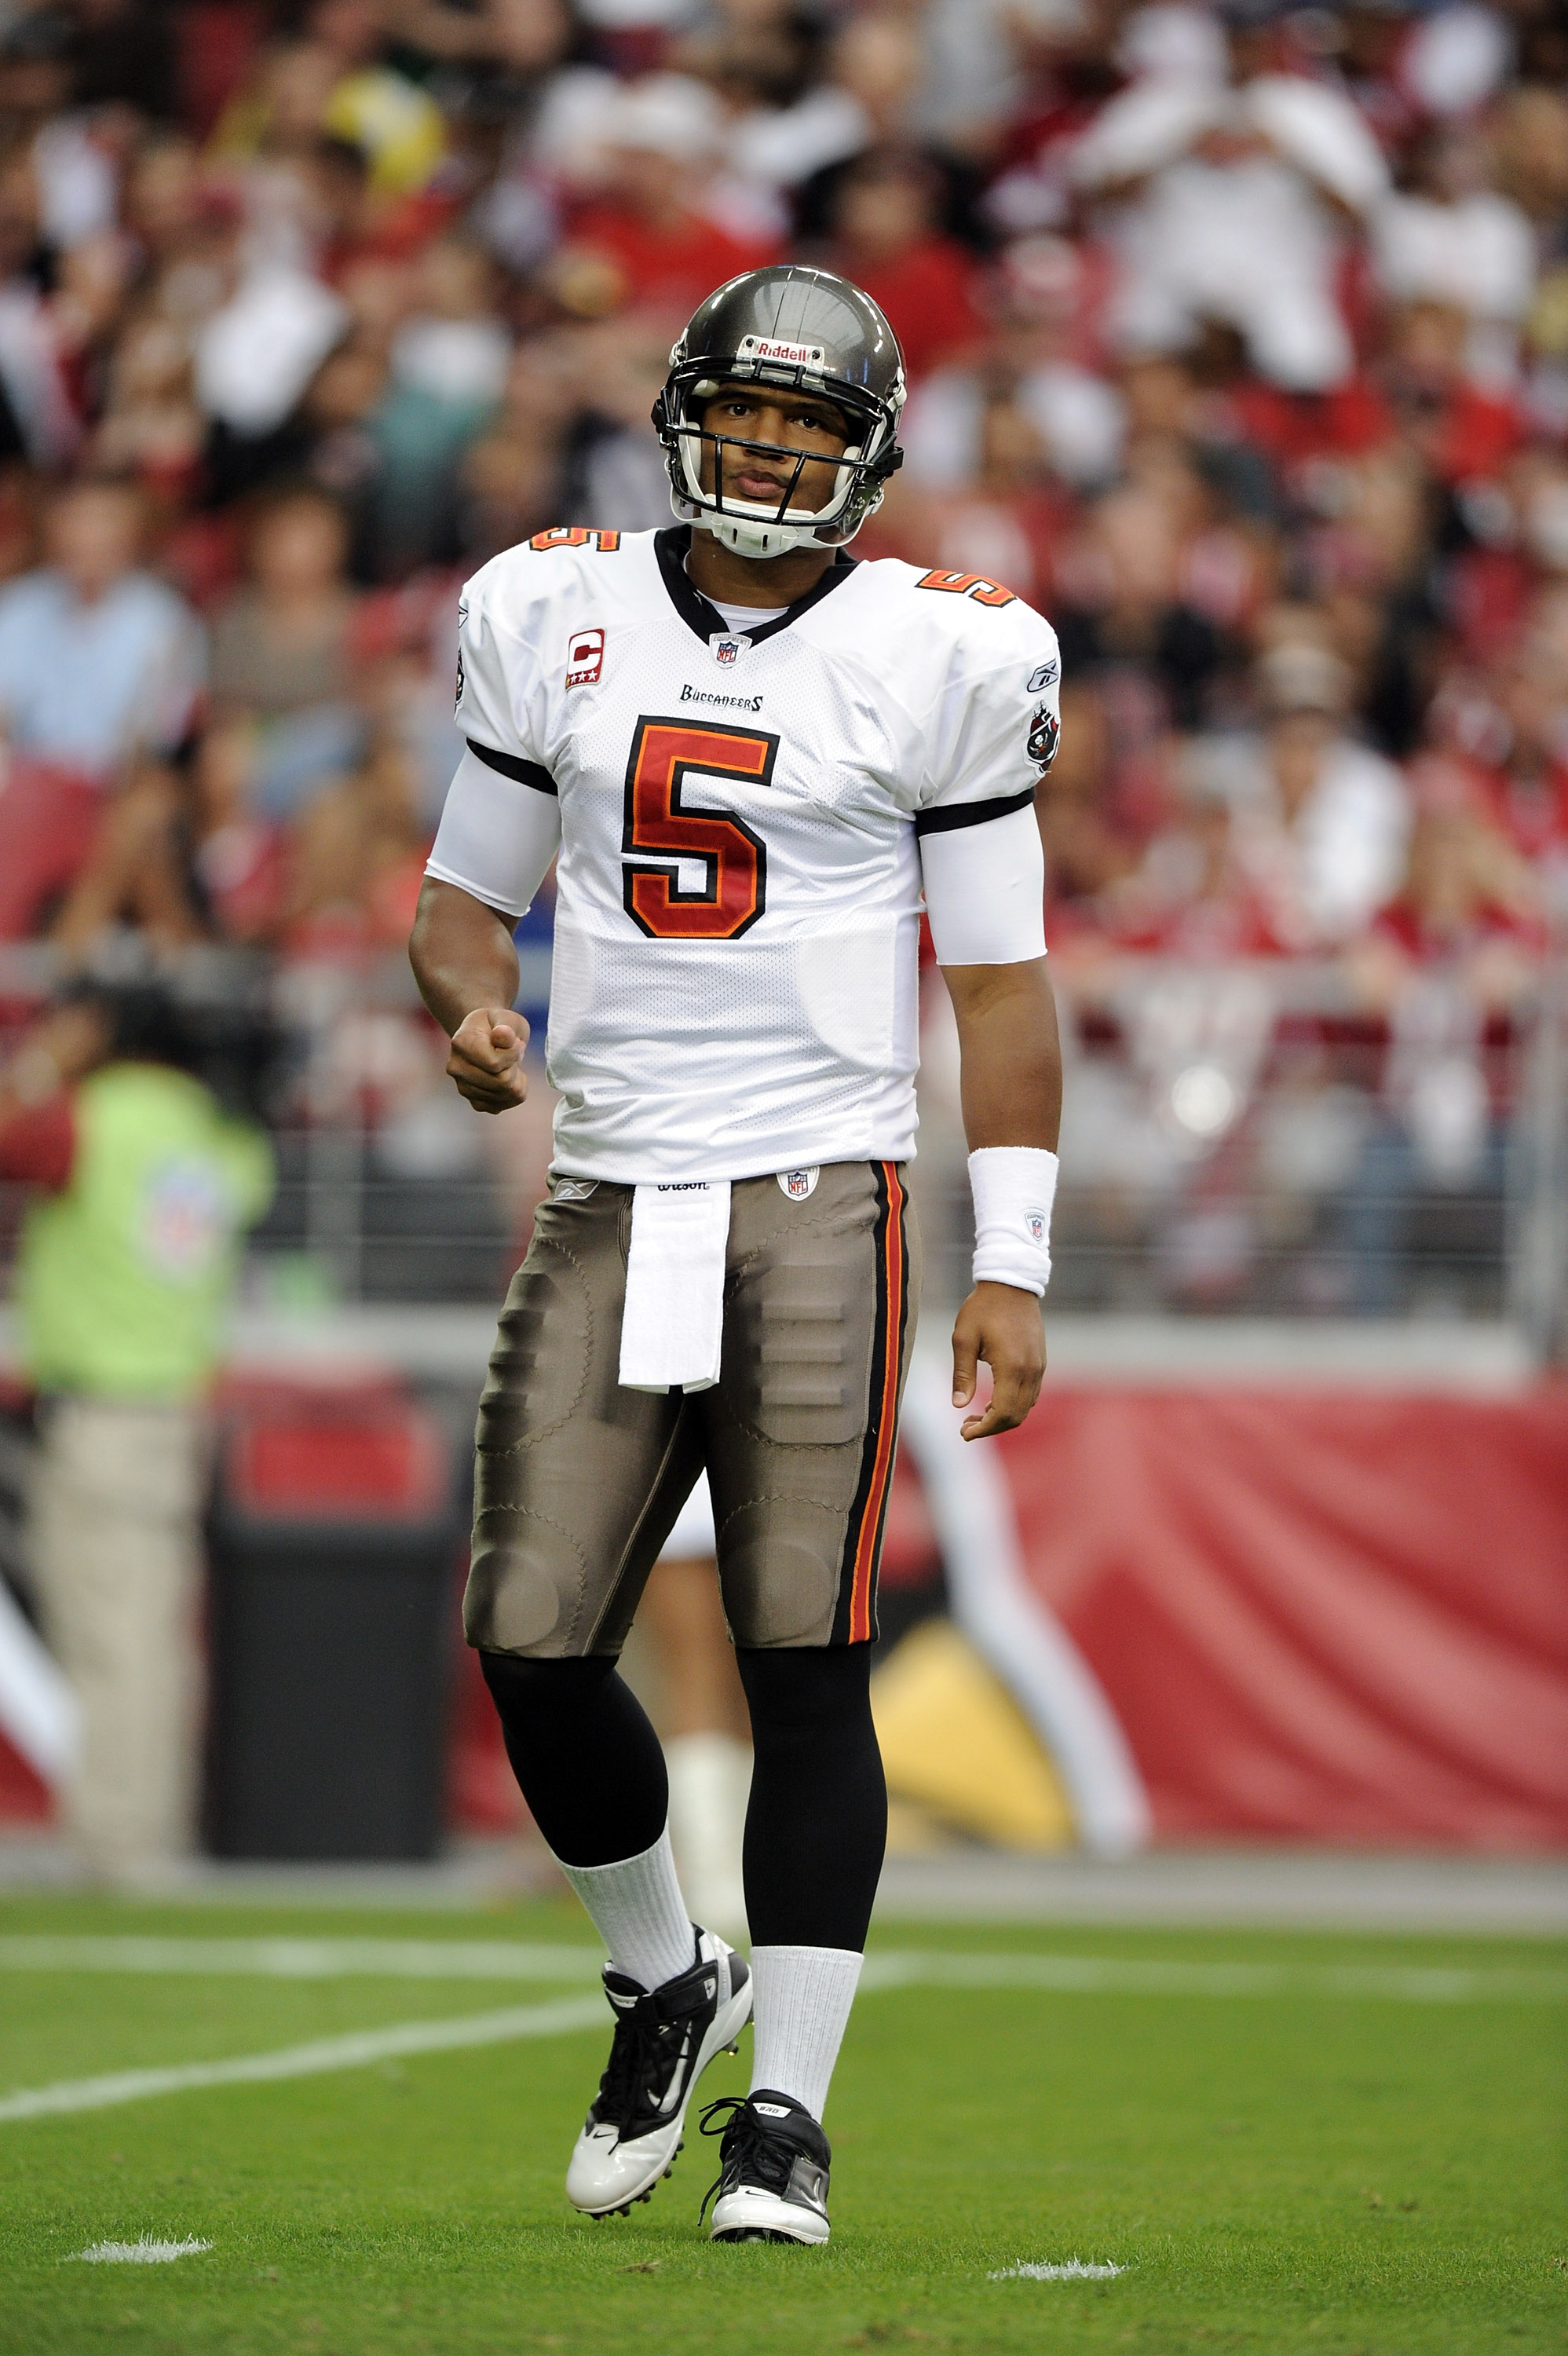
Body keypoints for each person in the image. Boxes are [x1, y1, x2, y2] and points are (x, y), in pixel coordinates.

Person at [410, 263, 1062, 2247]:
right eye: (750, 413)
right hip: (610, 1182)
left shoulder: (944, 651)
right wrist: (466, 1007)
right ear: (688, 414)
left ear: (863, 454)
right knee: (529, 1631)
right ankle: (660, 1971)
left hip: (820, 1191)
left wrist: (1011, 1256)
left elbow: (1007, 989)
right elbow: (460, 899)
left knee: (801, 1653)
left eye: (812, 424)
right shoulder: (553, 610)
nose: (775, 451)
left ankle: (786, 2109)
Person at [0, 981, 276, 1879]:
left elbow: (16, 1139)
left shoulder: (95, 1116)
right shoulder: (220, 1132)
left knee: (112, 1635)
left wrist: (47, 1061)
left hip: (99, 1407)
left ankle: (125, 1840)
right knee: (142, 1630)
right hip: (168, 1399)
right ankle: (134, 1824)